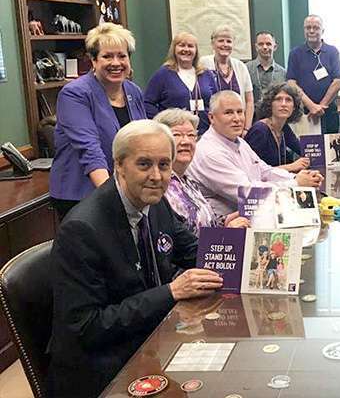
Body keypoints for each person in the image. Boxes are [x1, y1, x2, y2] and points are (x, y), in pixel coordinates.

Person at [48, 120, 224, 397]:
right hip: (104, 368)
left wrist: (254, 260)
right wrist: (171, 292)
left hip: (151, 340)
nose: (157, 176)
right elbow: (86, 326)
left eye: (164, 165)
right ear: (118, 165)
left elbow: (195, 251)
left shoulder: (154, 201)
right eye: (144, 164)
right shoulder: (82, 229)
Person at [50, 22, 146, 219]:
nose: (116, 63)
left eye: (122, 55)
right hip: (82, 195)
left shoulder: (133, 92)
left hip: (125, 191)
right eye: (107, 56)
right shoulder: (75, 94)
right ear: (93, 60)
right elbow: (89, 150)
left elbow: (142, 140)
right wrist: (115, 198)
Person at [187, 90, 323, 218]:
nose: (237, 119)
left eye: (240, 112)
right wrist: (295, 183)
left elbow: (264, 171)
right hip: (224, 228)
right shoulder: (210, 153)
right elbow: (248, 194)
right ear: (211, 117)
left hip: (253, 215)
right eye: (228, 113)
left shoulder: (238, 141)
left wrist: (297, 177)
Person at [153, 109, 250, 236]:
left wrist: (224, 223)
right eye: (177, 135)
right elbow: (181, 241)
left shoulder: (189, 182)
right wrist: (225, 233)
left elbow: (201, 225)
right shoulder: (159, 185)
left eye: (191, 135)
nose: (186, 141)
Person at [144, 32, 216, 134]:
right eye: (181, 45)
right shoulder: (163, 74)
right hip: (175, 135)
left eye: (190, 46)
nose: (186, 49)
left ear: (196, 50)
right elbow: (147, 103)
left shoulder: (206, 73)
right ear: (174, 49)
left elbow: (216, 102)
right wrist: (162, 124)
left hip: (206, 134)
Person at [286, 14, 340, 134]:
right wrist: (311, 106)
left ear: (322, 31)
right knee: (307, 149)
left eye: (316, 28)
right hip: (303, 112)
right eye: (308, 28)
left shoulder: (332, 52)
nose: (311, 31)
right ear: (304, 30)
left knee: (330, 149)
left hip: (328, 112)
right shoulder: (295, 53)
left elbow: (338, 82)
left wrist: (321, 106)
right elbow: (291, 83)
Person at [198, 25, 255, 130]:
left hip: (237, 127)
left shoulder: (241, 66)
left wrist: (246, 128)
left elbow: (249, 101)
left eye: (228, 41)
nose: (225, 44)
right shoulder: (203, 64)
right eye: (220, 41)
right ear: (213, 43)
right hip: (211, 127)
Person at [244, 82, 310, 172]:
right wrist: (291, 166)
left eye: (288, 100)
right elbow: (252, 171)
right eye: (278, 99)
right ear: (270, 104)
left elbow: (303, 150)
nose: (283, 104)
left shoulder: (284, 128)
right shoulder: (260, 130)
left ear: (294, 107)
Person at [246, 31, 287, 120]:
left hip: (275, 120)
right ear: (256, 47)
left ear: (275, 47)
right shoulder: (246, 69)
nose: (265, 47)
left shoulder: (283, 73)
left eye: (268, 44)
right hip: (250, 120)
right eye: (261, 44)